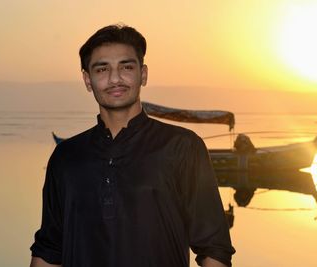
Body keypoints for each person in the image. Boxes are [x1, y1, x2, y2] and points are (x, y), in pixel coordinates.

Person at [30, 24, 235, 267]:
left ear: (143, 74)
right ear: (87, 80)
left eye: (126, 67)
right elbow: (50, 249)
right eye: (102, 69)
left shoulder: (183, 147)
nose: (115, 78)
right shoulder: (66, 156)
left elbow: (214, 249)